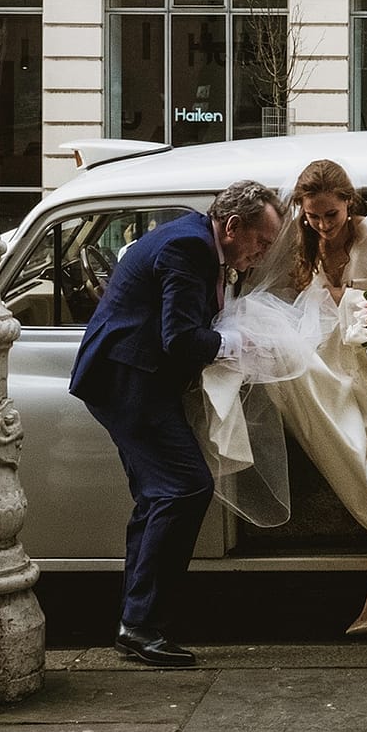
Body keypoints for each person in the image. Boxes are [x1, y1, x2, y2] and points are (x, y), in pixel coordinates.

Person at [69, 179, 285, 668]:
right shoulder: (190, 246)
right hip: (129, 380)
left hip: (131, 377)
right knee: (184, 488)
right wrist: (243, 347)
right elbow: (181, 339)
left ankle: (138, 620)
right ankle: (141, 623)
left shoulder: (195, 237)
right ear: (232, 226)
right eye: (262, 242)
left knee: (157, 497)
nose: (262, 252)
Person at [258, 159, 367, 635]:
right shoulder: (305, 240)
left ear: (350, 202)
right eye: (313, 216)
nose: (323, 225)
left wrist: (358, 303)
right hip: (333, 364)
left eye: (331, 215)